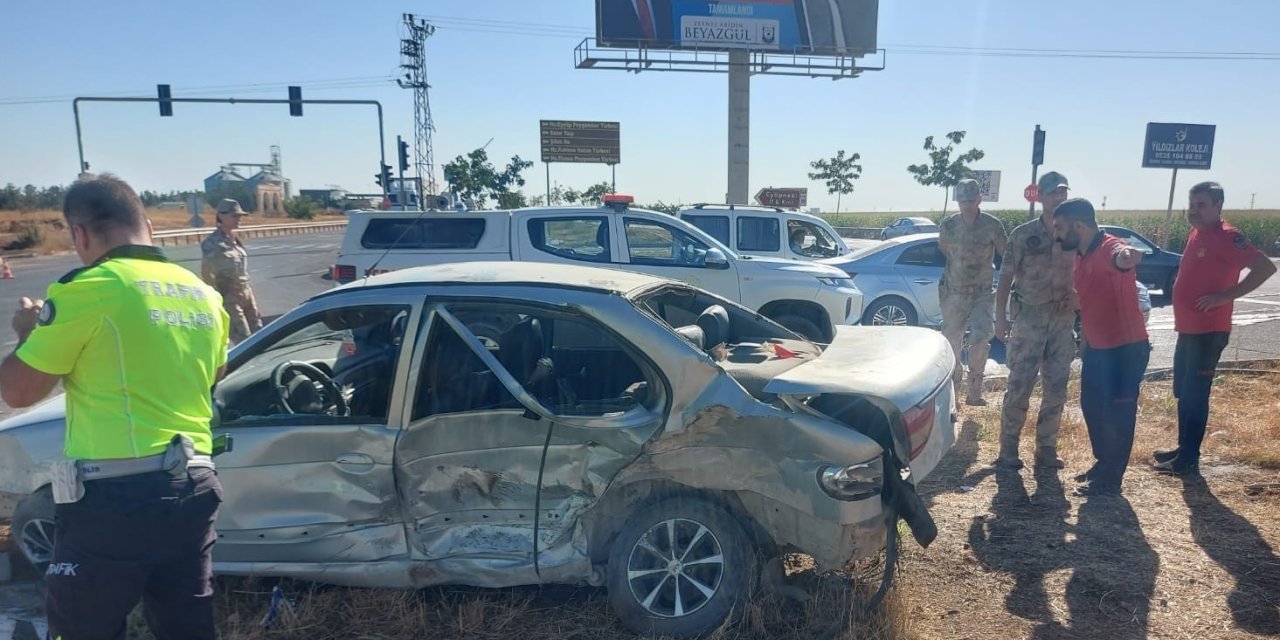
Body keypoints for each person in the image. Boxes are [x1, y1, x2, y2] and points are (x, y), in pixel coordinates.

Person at [0, 174, 230, 639]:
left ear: (79, 233)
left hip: (114, 499)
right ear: (145, 223)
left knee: (81, 627)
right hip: (194, 488)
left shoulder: (89, 288)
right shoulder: (204, 296)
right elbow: (212, 378)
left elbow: (18, 392)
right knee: (186, 627)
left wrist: (29, 334)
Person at [1153, 181, 1276, 475]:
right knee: (1183, 390)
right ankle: (1183, 448)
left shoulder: (1228, 236)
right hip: (1189, 329)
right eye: (1192, 204)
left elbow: (1265, 268)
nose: (1194, 210)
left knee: (1196, 394)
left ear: (1218, 205)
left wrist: (1225, 296)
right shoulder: (1197, 232)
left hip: (1209, 331)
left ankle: (1188, 459)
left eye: (1202, 205)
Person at [1052, 198, 1148, 497]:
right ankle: (1103, 463)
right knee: (1092, 407)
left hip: (1125, 349)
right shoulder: (1082, 253)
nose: (1056, 234)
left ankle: (1110, 478)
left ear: (1078, 225)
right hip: (1097, 347)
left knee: (1117, 413)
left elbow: (1125, 256)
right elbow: (1096, 292)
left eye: (1059, 228)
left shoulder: (1109, 248)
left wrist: (1129, 255)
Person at [993, 171, 1077, 470]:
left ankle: (1046, 450)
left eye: (1063, 193)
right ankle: (1008, 451)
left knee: (1056, 389)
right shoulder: (1022, 235)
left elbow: (1089, 273)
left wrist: (1079, 298)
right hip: (1029, 317)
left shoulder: (1075, 235)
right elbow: (1005, 278)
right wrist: (1000, 319)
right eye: (1054, 192)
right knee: (1019, 386)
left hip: (1062, 321)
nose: (1059, 197)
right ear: (1040, 196)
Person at [938, 178, 1006, 408]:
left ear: (979, 199)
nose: (966, 205)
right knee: (952, 342)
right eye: (962, 200)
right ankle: (953, 393)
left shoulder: (992, 225)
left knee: (980, 340)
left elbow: (1004, 252)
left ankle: (974, 390)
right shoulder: (949, 225)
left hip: (982, 294)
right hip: (955, 293)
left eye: (970, 200)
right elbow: (944, 249)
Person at [203, 198, 262, 344]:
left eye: (240, 216)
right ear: (222, 216)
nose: (239, 219)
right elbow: (206, 271)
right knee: (244, 340)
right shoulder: (212, 243)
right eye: (235, 216)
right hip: (229, 296)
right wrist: (218, 295)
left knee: (260, 334)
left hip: (246, 292)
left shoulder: (235, 239)